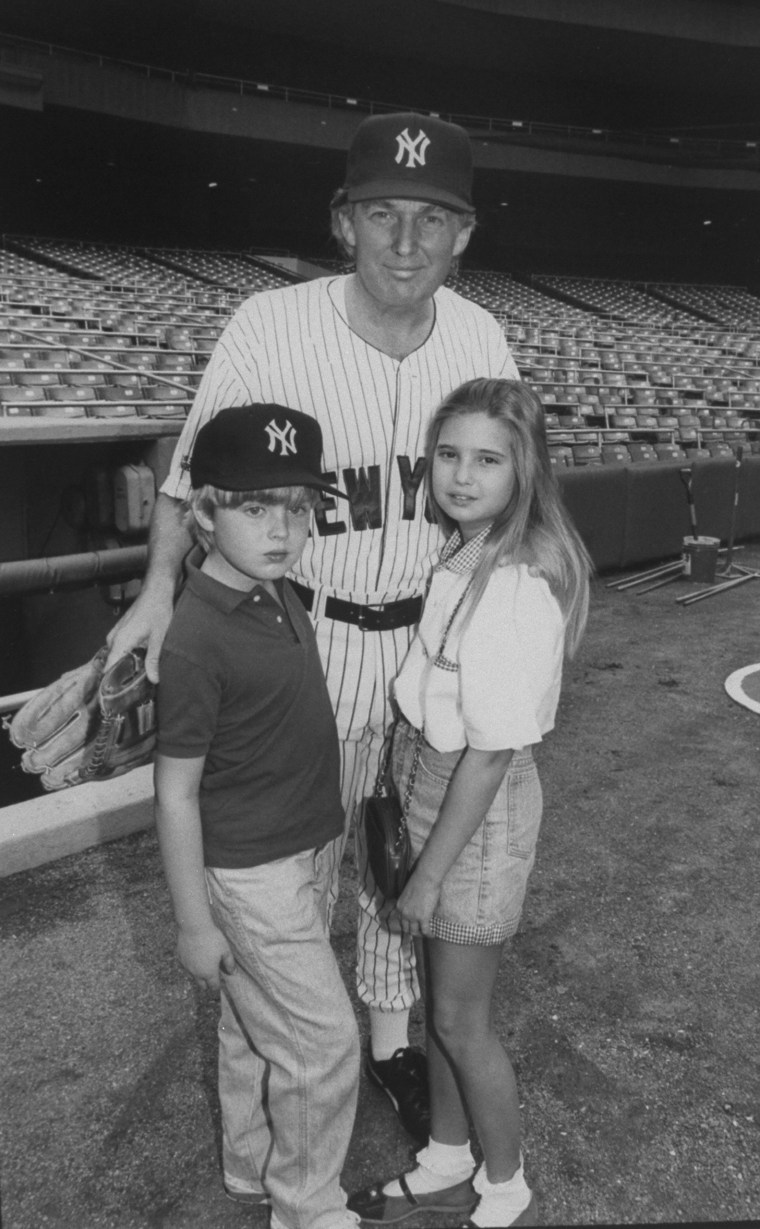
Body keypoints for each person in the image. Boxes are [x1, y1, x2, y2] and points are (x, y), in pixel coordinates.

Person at [106, 110, 520, 1142]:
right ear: (343, 221)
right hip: (304, 639)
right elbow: (189, 477)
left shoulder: (482, 336)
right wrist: (157, 592)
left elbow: (514, 490)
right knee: (287, 880)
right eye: (382, 214)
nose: (407, 241)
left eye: (433, 218)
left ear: (465, 234)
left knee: (402, 865)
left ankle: (389, 1045)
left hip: (430, 651)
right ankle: (268, 1084)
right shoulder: (269, 325)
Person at [349, 379, 591, 1228]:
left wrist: (425, 878)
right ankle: (447, 1160)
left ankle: (507, 1187)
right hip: (434, 783)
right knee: (438, 1006)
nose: (460, 474)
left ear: (525, 470)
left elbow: (489, 754)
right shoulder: (465, 549)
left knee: (460, 1020)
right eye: (448, 454)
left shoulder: (516, 580)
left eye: (487, 459)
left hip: (474, 810)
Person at [153, 403, 360, 1229]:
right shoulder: (195, 636)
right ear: (204, 513)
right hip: (250, 870)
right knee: (323, 1043)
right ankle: (307, 1207)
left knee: (253, 1021)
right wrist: (192, 922)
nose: (282, 528)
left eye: (299, 508)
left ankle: (250, 1165)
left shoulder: (273, 587)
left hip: (303, 845)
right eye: (254, 506)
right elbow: (174, 792)